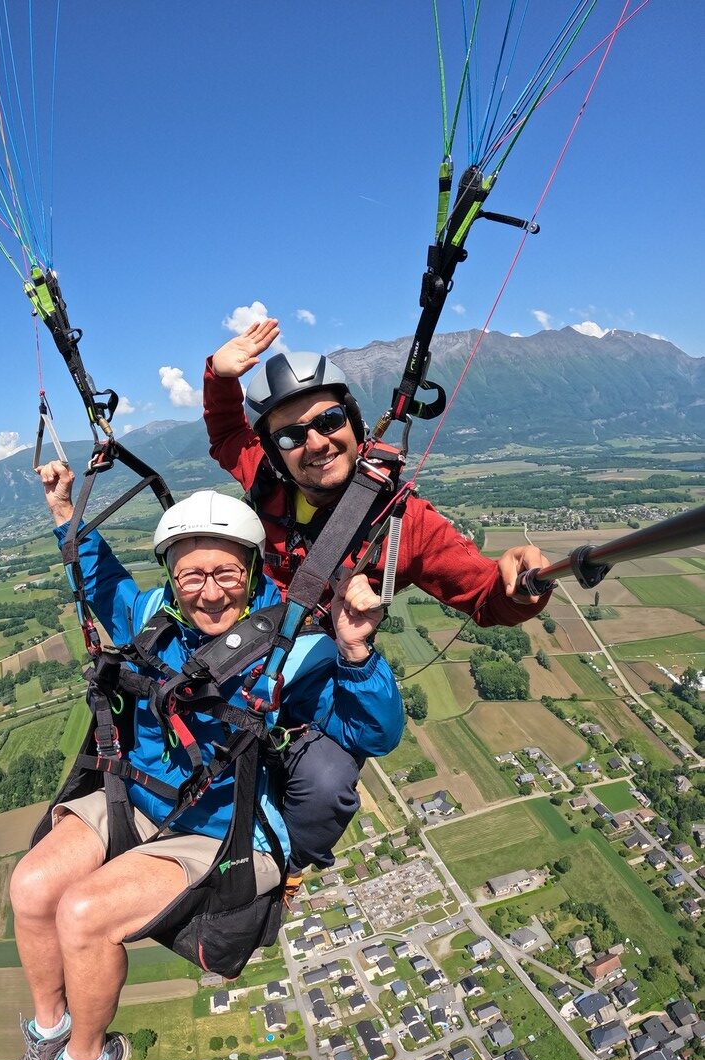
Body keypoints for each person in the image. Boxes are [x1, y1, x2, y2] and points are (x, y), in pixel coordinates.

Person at [9, 466, 403, 1060]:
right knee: (30, 886)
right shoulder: (152, 619)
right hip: (135, 794)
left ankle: (85, 1058)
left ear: (252, 572)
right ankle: (50, 1026)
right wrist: (63, 513)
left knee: (82, 913)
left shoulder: (294, 650)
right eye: (192, 575)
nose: (209, 591)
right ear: (171, 576)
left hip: (221, 824)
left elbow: (374, 733)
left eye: (226, 573)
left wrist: (359, 654)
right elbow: (103, 581)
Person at [202, 317, 552, 875]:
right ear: (274, 450)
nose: (315, 443)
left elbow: (484, 594)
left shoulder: (402, 522)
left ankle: (286, 867)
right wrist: (219, 377)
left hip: (323, 661)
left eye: (329, 420)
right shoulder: (269, 481)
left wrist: (521, 583)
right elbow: (226, 434)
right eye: (291, 436)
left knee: (328, 785)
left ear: (354, 422)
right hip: (257, 647)